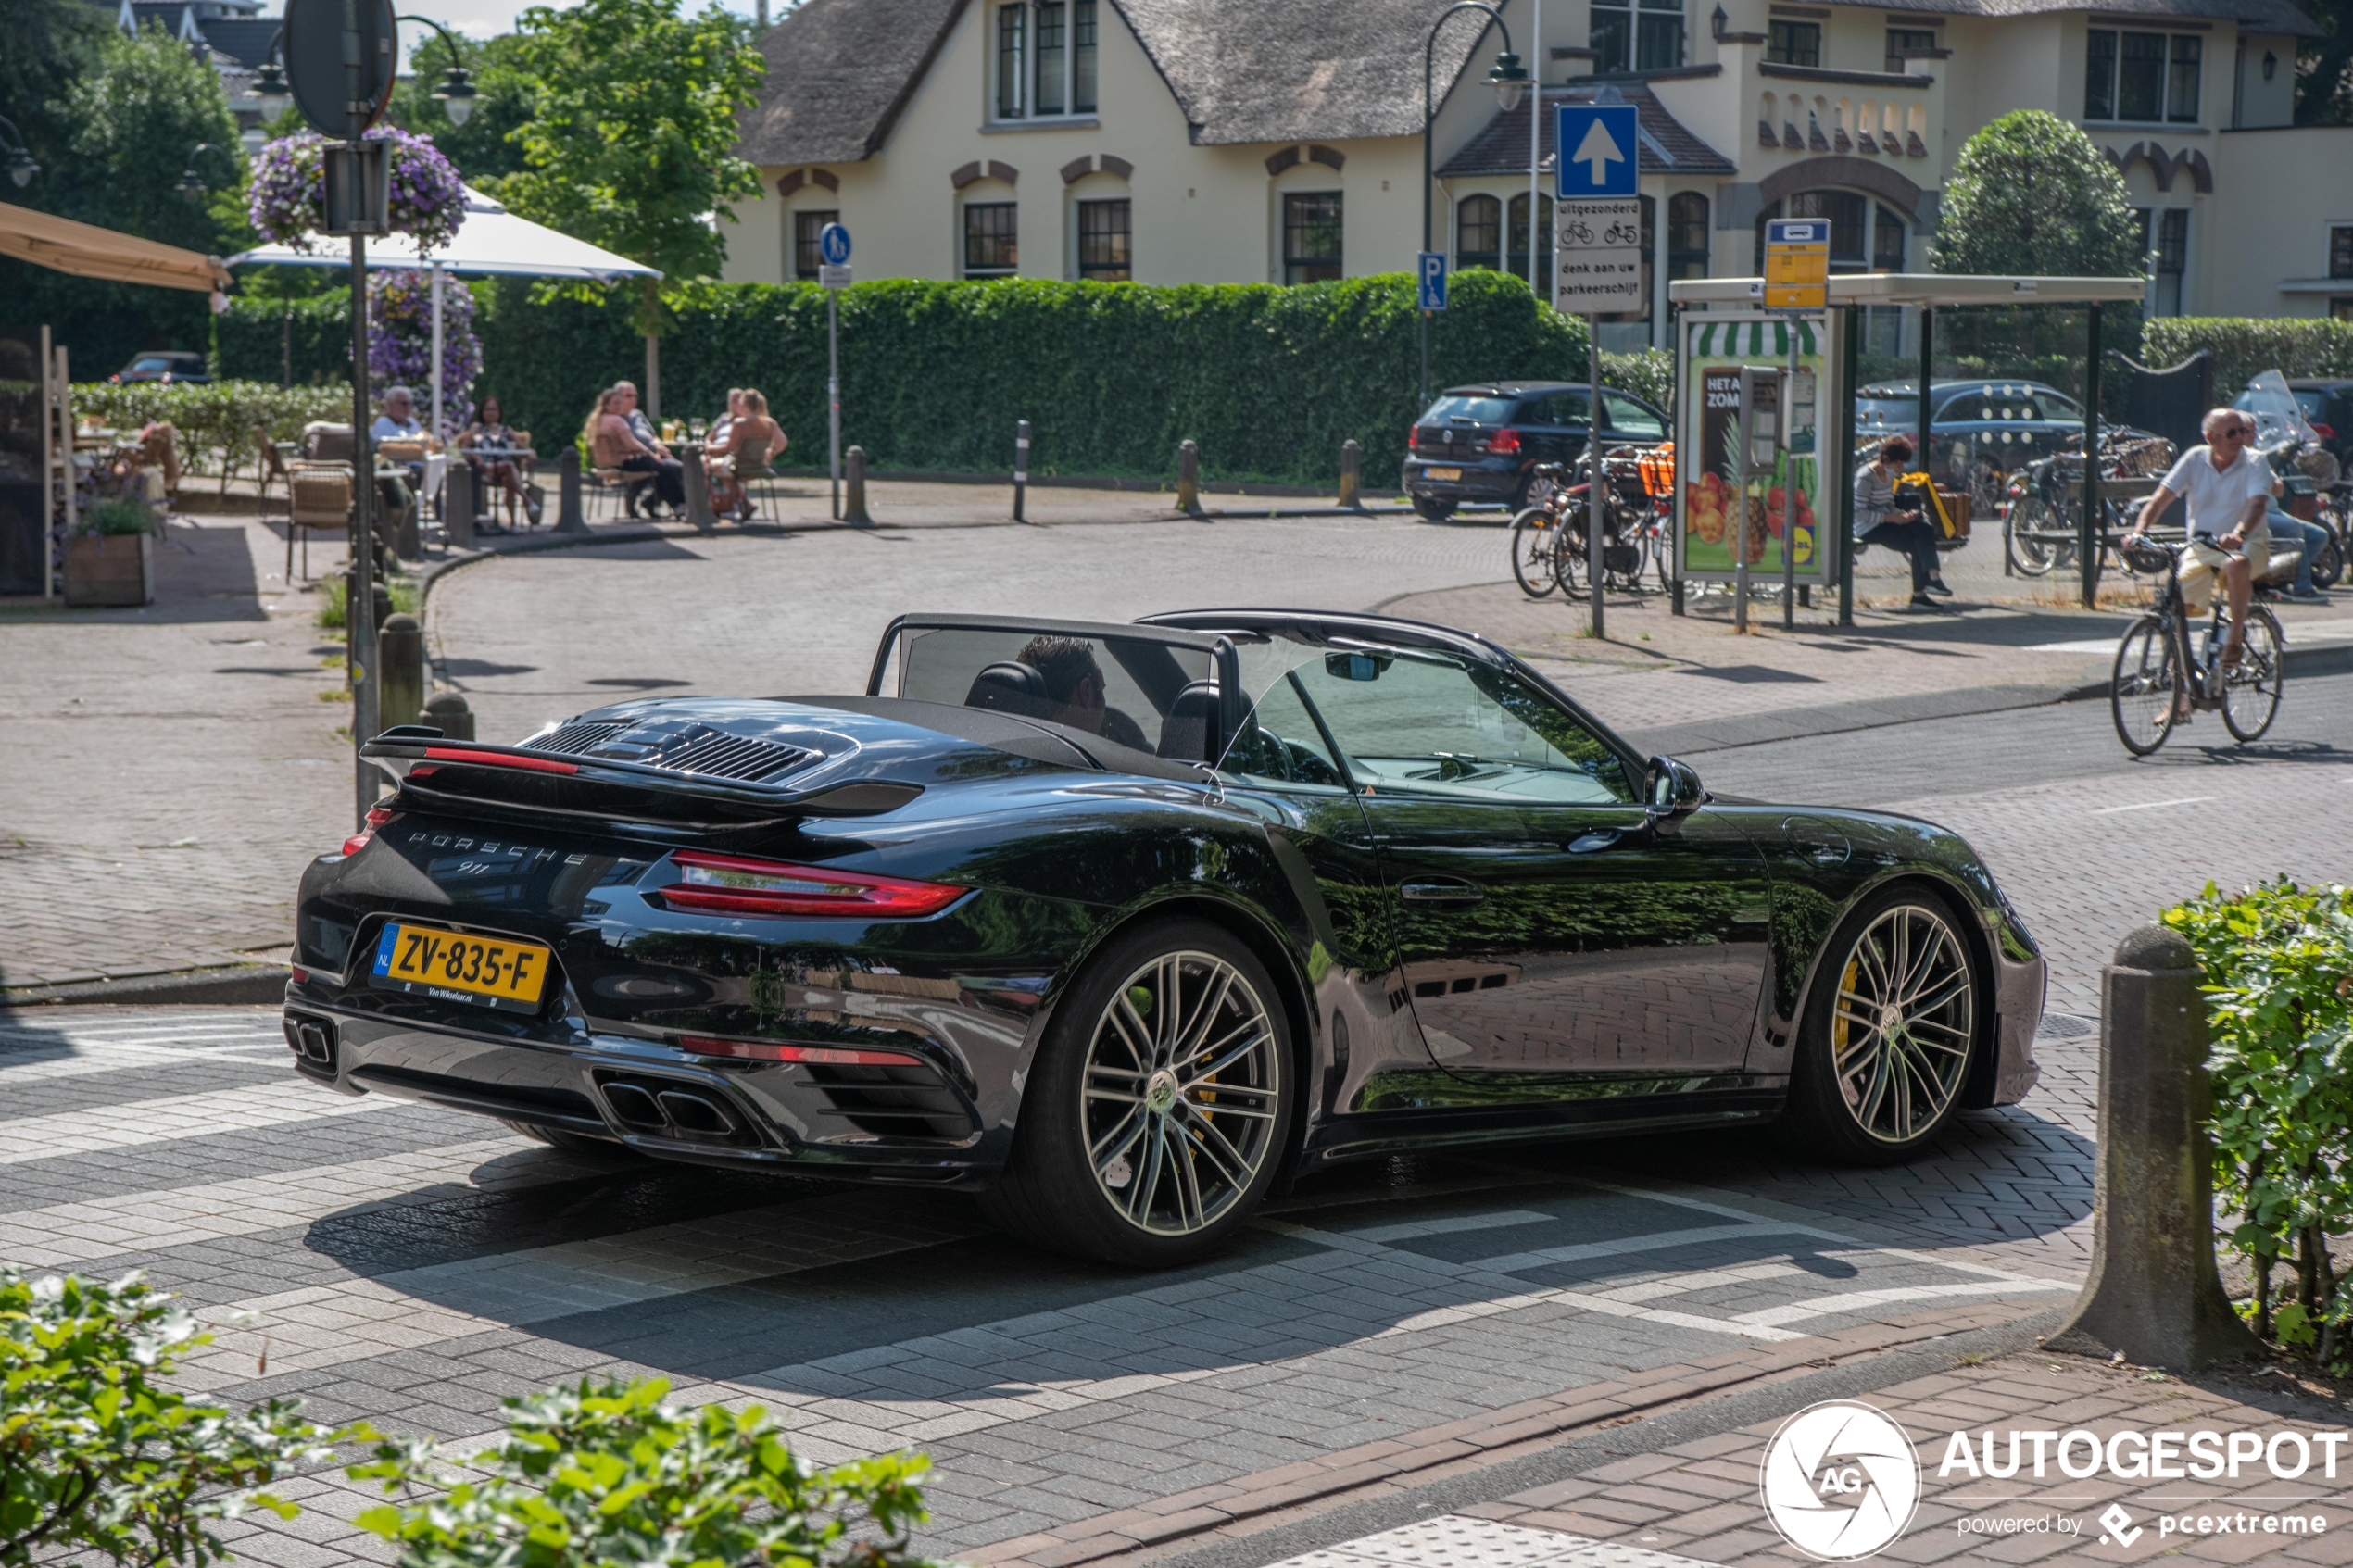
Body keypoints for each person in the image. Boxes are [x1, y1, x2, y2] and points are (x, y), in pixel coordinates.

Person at [2129, 407, 2273, 725]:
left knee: (2236, 564)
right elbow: (2160, 499)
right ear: (2211, 438)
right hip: (2201, 548)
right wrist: (2139, 532)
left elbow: (2257, 503)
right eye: (2232, 432)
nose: (2240, 437)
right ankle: (2180, 696)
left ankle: (2235, 638)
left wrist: (2239, 533)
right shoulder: (2195, 458)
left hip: (2248, 545)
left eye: (2241, 431)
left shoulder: (2254, 461)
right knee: (2173, 613)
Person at [1851, 435, 1954, 608]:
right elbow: (1859, 513)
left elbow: (1888, 503)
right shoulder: (1866, 477)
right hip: (1869, 527)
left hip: (1885, 521)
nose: (1901, 468)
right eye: (1899, 464)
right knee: (1918, 540)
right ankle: (1928, 585)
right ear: (1886, 459)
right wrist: (1892, 518)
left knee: (1923, 531)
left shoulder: (1889, 476)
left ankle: (1925, 589)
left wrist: (1901, 515)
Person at [587, 383, 684, 515]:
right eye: (618, 401)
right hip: (629, 459)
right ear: (607, 405)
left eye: (635, 396)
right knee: (668, 467)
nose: (632, 399)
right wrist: (650, 453)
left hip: (630, 457)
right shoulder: (617, 420)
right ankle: (678, 504)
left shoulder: (599, 419)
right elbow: (631, 443)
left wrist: (658, 447)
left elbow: (651, 436)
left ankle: (658, 502)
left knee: (669, 467)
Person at [458, 395, 540, 527]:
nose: (490, 413)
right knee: (509, 466)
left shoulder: (507, 430)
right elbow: (465, 447)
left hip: (505, 469)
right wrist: (477, 458)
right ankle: (528, 501)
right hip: (486, 467)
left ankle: (512, 523)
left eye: (494, 410)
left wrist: (531, 453)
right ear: (482, 412)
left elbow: (523, 448)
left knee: (509, 479)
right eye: (487, 409)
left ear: (499, 412)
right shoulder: (477, 428)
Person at [704, 388, 785, 520]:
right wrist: (771, 452)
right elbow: (783, 442)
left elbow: (729, 447)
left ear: (744, 404)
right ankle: (741, 504)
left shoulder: (740, 424)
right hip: (760, 466)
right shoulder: (770, 423)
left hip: (739, 467)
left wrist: (711, 447)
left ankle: (716, 507)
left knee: (708, 467)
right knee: (720, 469)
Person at [2260, 471, 2329, 604]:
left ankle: (2281, 577)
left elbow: (2280, 490)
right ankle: (2302, 588)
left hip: (2275, 512)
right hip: (2256, 513)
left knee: (2319, 536)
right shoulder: (2237, 461)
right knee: (2294, 527)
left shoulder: (2258, 459)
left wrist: (2267, 482)